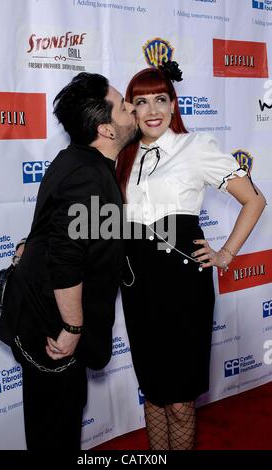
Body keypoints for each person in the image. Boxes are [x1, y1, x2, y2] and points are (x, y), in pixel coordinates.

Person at [116, 61, 266, 450]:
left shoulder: (196, 147)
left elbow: (254, 199)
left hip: (182, 283)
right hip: (136, 282)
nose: (152, 110)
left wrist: (226, 253)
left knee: (181, 401)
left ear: (174, 104)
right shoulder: (122, 156)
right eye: (141, 101)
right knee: (152, 391)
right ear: (130, 108)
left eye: (160, 100)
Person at [0, 72, 137, 450]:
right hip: (52, 330)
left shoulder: (76, 161)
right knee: (55, 430)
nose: (133, 110)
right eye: (125, 106)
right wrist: (72, 329)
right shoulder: (89, 175)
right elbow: (66, 258)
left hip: (44, 318)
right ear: (106, 129)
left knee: (56, 422)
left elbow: (58, 230)